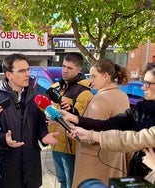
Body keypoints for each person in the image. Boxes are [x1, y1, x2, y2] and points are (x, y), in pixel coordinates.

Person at [62, 64, 155, 180]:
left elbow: (133, 139)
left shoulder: (103, 98)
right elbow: (108, 124)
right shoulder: (140, 108)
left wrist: (91, 135)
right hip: (137, 172)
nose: (143, 88)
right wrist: (74, 118)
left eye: (148, 83)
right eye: (143, 82)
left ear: (106, 76)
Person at [0, 53, 59, 188]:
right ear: (9, 75)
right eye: (22, 71)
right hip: (6, 168)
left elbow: (40, 124)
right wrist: (3, 139)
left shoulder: (36, 96)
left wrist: (44, 135)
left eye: (28, 69)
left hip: (31, 167)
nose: (27, 74)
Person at [59, 58, 130, 187]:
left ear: (106, 76)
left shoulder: (101, 99)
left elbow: (92, 131)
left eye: (93, 76)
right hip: (114, 158)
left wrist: (74, 131)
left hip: (95, 161)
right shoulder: (122, 95)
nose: (90, 80)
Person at [47, 52, 93, 188]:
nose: (65, 71)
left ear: (78, 70)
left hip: (72, 146)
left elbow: (82, 119)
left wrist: (71, 110)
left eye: (70, 68)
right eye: (63, 66)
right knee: (62, 181)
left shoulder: (84, 91)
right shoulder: (56, 87)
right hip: (56, 142)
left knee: (71, 183)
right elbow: (45, 108)